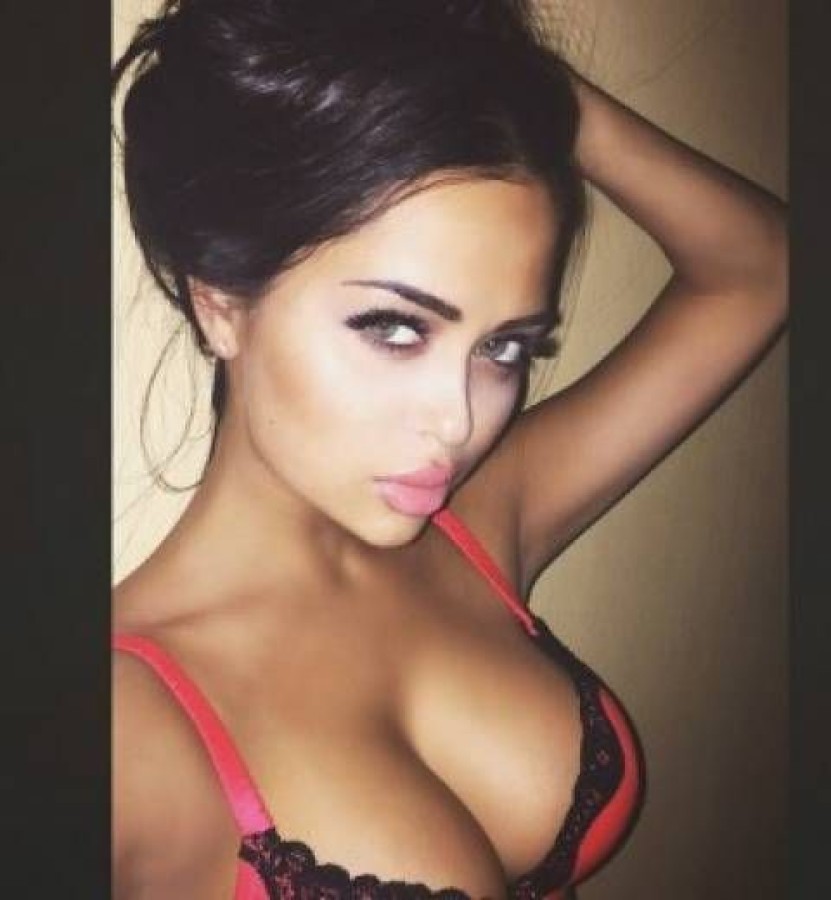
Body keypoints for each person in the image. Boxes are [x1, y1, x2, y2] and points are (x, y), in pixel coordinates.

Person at [111, 1, 787, 898]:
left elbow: (758, 268)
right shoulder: (126, 726)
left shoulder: (476, 522)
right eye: (395, 328)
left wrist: (517, 81)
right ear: (220, 304)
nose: (460, 421)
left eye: (505, 347)